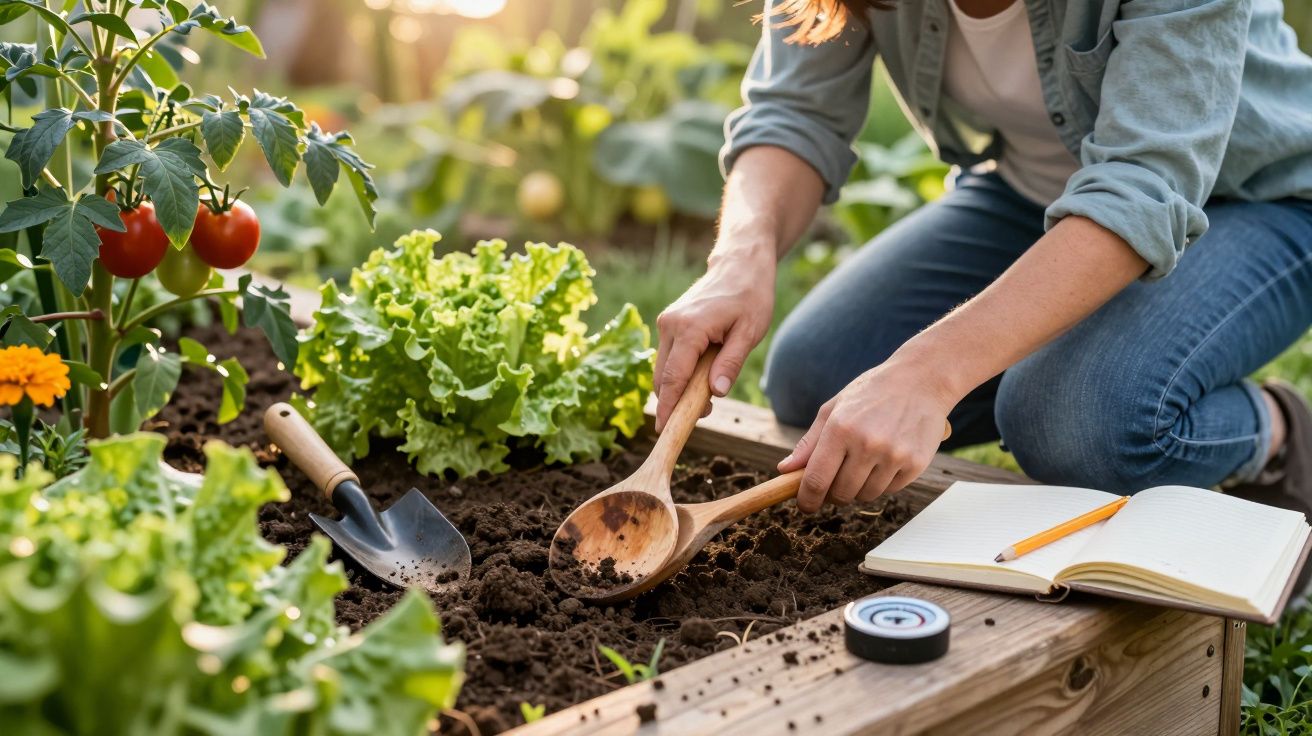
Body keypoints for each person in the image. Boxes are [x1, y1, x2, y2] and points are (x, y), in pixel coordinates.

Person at [653, 0, 1312, 521]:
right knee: (816, 380)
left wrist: (929, 373)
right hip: (1034, 196)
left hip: (1256, 200)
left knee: (1068, 420)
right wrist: (739, 257)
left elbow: (1144, 187)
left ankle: (1279, 436)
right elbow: (793, 113)